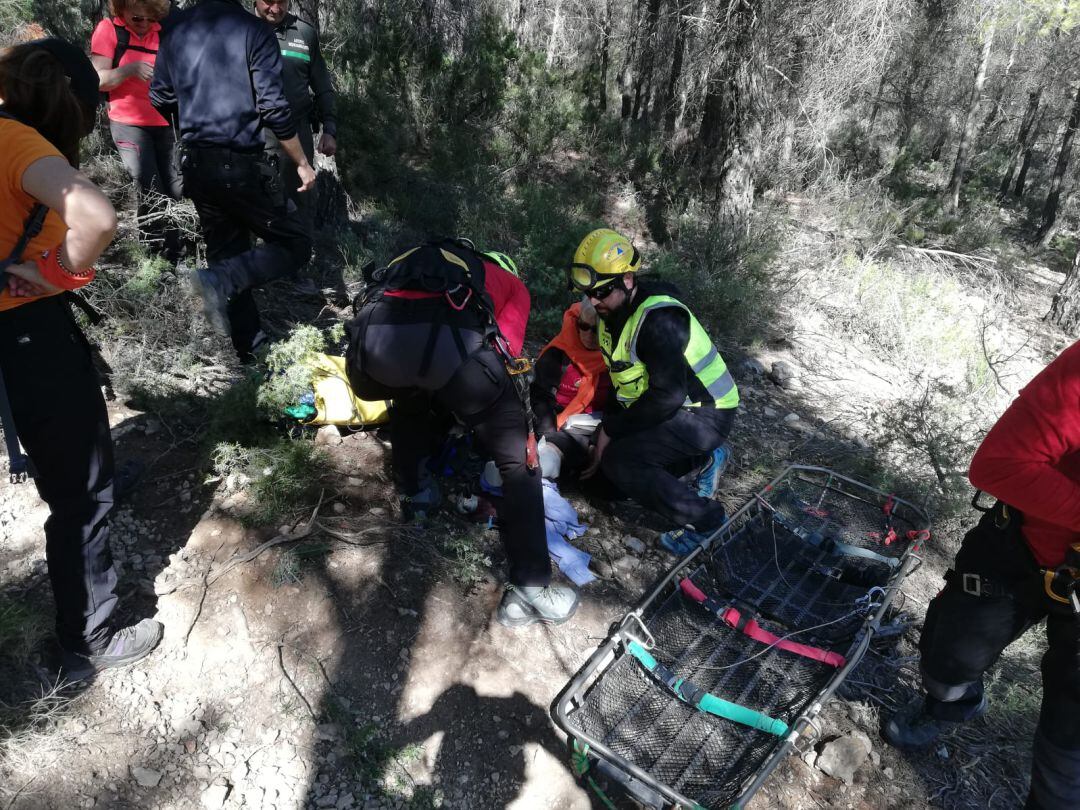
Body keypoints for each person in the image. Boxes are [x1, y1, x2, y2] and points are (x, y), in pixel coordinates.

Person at [0, 38, 163, 679]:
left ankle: (78, 476)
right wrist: (56, 274)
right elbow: (95, 217)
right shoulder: (20, 143)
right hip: (23, 329)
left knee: (58, 444)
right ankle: (87, 637)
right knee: (81, 492)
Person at [885, 341, 1080, 810]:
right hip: (1022, 549)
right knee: (947, 659)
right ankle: (950, 704)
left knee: (1072, 741)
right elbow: (999, 464)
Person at [346, 240, 579, 627]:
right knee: (519, 462)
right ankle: (533, 588)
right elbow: (506, 353)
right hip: (446, 356)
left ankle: (417, 496)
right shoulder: (511, 286)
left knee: (411, 399)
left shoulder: (419, 266)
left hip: (375, 357)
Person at [149, 0, 315, 362]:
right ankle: (218, 282)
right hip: (237, 163)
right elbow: (273, 107)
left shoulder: (175, 29)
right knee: (297, 244)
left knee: (228, 253)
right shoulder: (254, 30)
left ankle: (251, 350)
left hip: (196, 163)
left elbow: (160, 95)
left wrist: (193, 113)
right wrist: (301, 161)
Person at [566, 228, 737, 554]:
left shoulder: (659, 320)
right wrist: (606, 431)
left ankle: (709, 521)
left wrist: (610, 431)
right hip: (668, 408)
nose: (593, 301)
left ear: (628, 280)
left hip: (705, 412)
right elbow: (624, 383)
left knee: (622, 461)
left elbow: (668, 395)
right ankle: (701, 460)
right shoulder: (611, 314)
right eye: (588, 293)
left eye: (600, 292)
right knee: (605, 484)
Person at [90, 0, 182, 258]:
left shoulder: (164, 31)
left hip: (167, 121)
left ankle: (175, 249)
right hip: (128, 122)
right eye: (137, 19)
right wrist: (130, 70)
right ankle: (154, 251)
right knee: (150, 185)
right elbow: (97, 79)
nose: (144, 25)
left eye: (151, 20)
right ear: (122, 11)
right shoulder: (109, 30)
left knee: (176, 187)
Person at [252, 0, 337, 238]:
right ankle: (259, 265)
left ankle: (298, 264)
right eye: (269, 2)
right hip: (256, 132)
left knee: (300, 199)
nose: (276, 9)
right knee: (258, 201)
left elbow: (322, 85)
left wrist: (329, 128)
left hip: (297, 132)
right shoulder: (242, 29)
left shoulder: (304, 32)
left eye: (282, 2)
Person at [530, 297, 611, 480]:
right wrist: (548, 436)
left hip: (600, 428)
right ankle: (539, 476)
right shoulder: (558, 353)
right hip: (556, 424)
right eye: (584, 326)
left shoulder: (617, 359)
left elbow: (618, 406)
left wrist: (597, 441)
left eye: (597, 330)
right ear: (577, 321)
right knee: (552, 450)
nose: (590, 336)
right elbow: (541, 398)